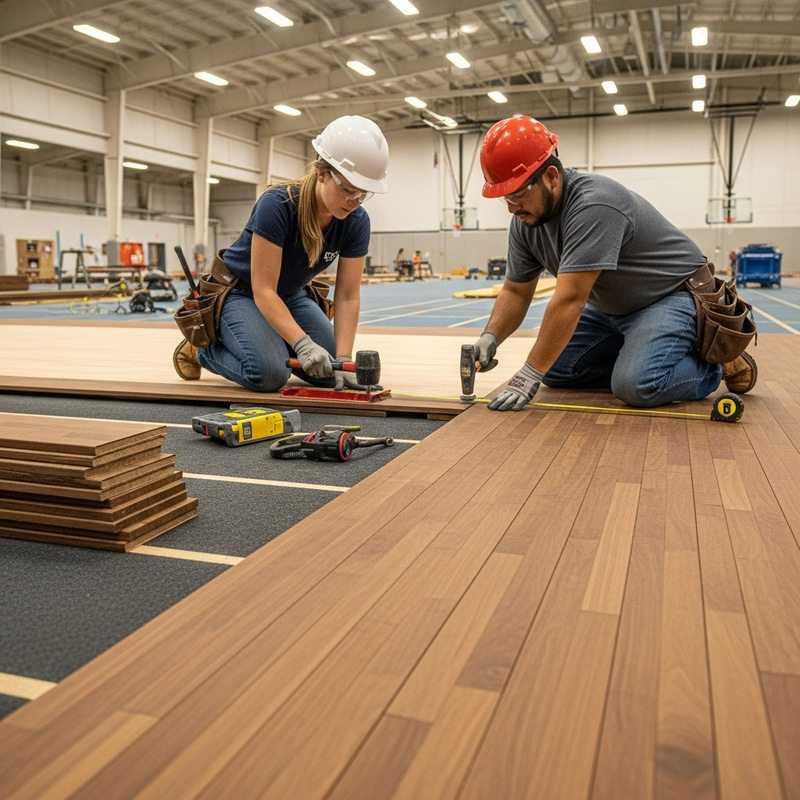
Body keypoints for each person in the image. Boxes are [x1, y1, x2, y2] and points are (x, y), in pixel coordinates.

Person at [469, 114, 757, 412]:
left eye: (517, 193)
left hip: (672, 296)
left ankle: (712, 364)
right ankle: (641, 355)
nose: (512, 207)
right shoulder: (526, 222)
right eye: (504, 198)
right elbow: (516, 292)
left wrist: (529, 372)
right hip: (614, 307)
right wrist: (490, 337)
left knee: (637, 386)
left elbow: (570, 300)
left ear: (552, 176)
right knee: (556, 370)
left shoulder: (594, 205)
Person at [173, 115, 389, 392]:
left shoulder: (357, 221)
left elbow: (347, 296)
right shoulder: (277, 205)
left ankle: (268, 341)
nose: (355, 201)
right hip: (241, 292)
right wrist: (302, 344)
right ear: (322, 172)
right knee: (270, 374)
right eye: (348, 190)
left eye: (363, 194)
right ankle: (204, 349)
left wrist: (344, 359)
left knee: (329, 372)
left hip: (291, 295)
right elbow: (264, 290)